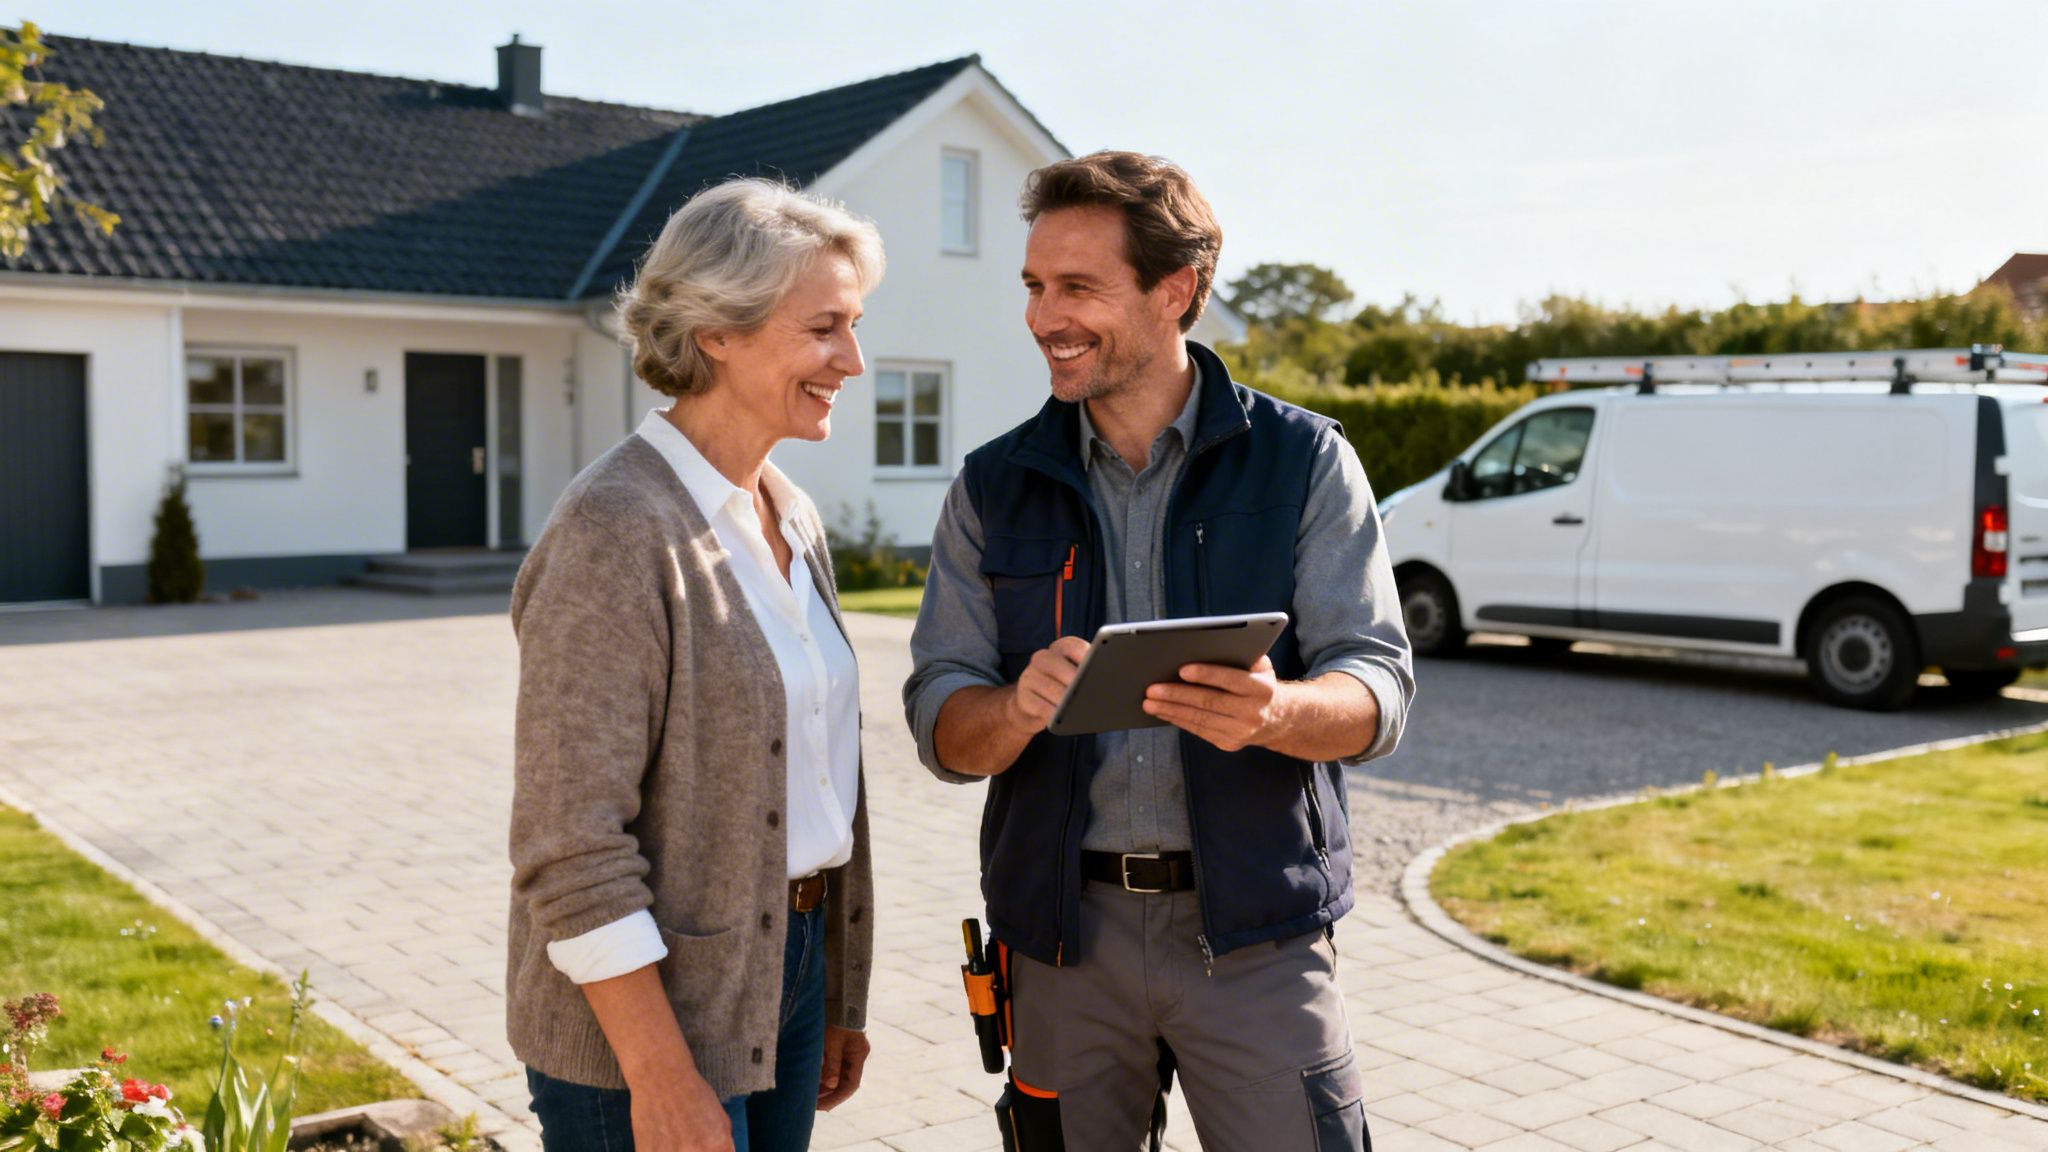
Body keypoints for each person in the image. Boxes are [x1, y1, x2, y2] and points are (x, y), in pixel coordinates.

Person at [903, 151, 1414, 1151]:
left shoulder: (1305, 461)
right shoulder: (988, 487)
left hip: (1259, 937)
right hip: (1059, 945)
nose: (1042, 316)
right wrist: (1009, 712)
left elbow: (1377, 686)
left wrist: (1277, 714)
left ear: (1172, 290)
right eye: (1034, 287)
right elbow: (940, 720)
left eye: (1077, 288)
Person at [508, 177, 882, 1152]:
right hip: (646, 1027)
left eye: (853, 326)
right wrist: (659, 1075)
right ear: (717, 329)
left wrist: (833, 986)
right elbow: (568, 842)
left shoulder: (787, 510)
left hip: (786, 976)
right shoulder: (614, 530)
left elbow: (816, 773)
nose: (851, 358)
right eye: (824, 329)